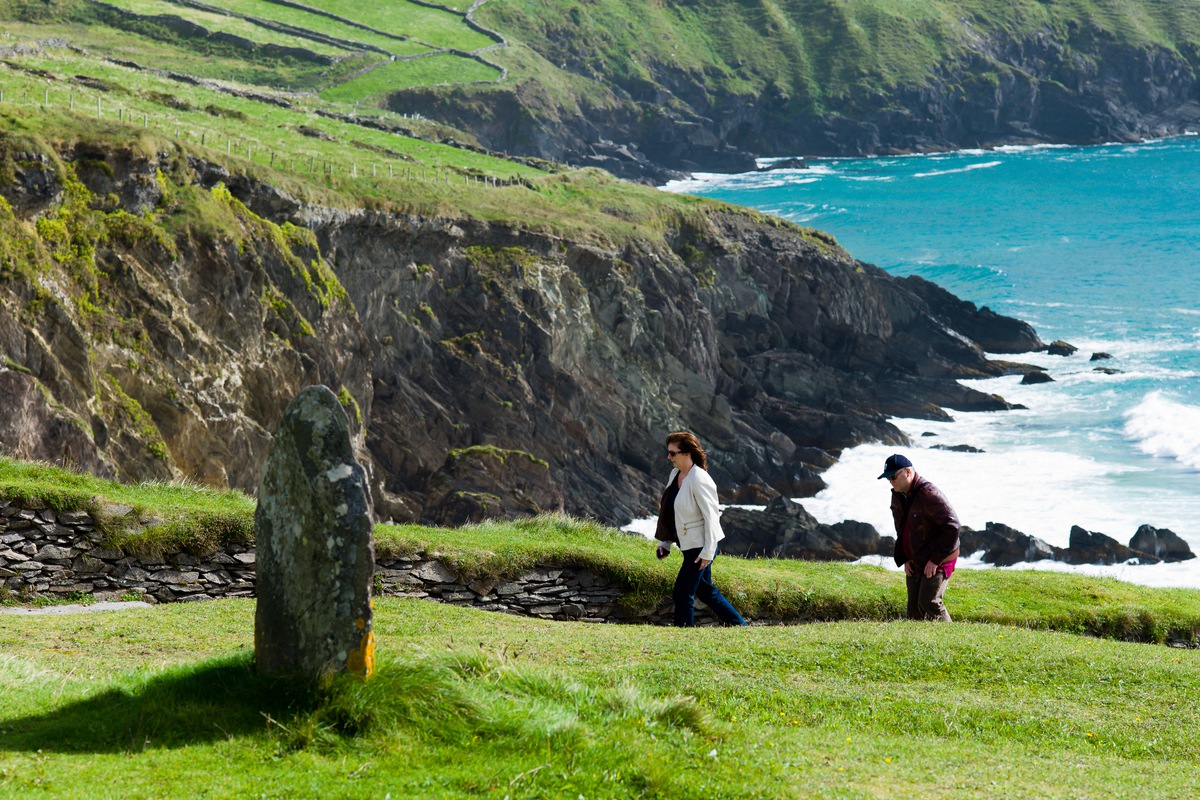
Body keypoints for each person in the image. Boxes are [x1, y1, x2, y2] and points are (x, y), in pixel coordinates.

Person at [654, 431, 748, 627]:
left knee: (682, 591)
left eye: (673, 453)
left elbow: (712, 517)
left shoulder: (700, 479)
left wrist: (708, 552)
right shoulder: (675, 475)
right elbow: (672, 514)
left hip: (700, 547)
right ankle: (740, 626)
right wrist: (665, 542)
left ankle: (684, 634)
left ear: (687, 453)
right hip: (688, 544)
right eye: (668, 452)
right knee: (706, 591)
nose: (668, 457)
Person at [879, 453, 961, 622]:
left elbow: (952, 526)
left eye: (893, 477)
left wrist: (936, 560)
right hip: (916, 556)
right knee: (914, 610)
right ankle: (921, 644)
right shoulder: (898, 494)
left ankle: (954, 639)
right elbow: (902, 529)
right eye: (888, 478)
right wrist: (905, 558)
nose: (891, 482)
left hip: (939, 558)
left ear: (908, 472)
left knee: (928, 602)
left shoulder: (929, 494)